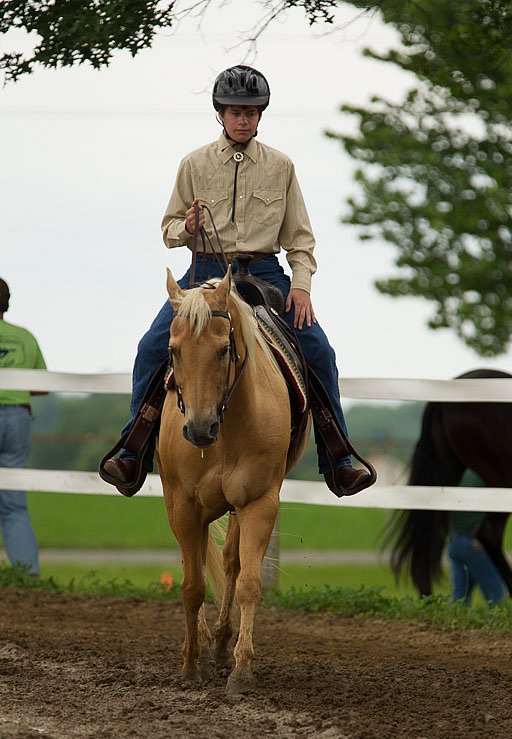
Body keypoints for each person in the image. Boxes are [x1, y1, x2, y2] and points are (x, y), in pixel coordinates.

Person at [102, 65, 372, 497]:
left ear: (260, 115)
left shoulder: (281, 166)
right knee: (152, 345)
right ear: (220, 114)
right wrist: (187, 227)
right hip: (204, 273)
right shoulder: (193, 164)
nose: (242, 120)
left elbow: (300, 239)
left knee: (319, 349)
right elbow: (168, 230)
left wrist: (300, 286)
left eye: (250, 112)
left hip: (264, 273)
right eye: (233, 112)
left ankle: (338, 457)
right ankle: (133, 448)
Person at [0, 278, 47, 576]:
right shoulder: (25, 337)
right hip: (17, 419)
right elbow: (43, 385)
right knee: (14, 503)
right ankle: (26, 574)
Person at [448, 469, 507, 604]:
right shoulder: (486, 474)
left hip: (455, 541)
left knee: (459, 598)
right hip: (474, 543)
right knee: (497, 597)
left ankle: (453, 624)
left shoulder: (464, 473)